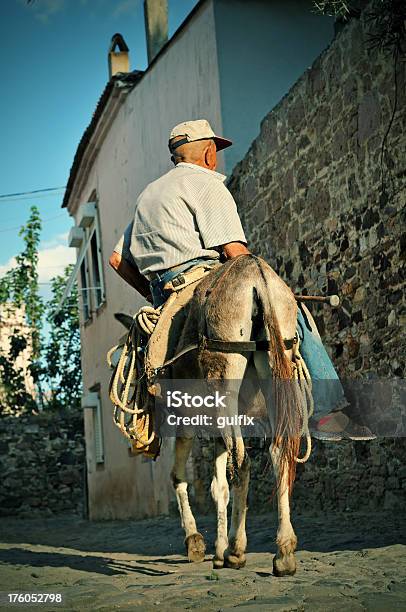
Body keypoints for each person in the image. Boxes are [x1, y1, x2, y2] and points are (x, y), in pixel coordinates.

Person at [110, 119, 375, 442]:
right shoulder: (207, 184)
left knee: (144, 359)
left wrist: (156, 298)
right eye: (215, 151)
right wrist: (277, 293)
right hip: (206, 280)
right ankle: (327, 411)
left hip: (166, 294)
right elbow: (236, 253)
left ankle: (147, 426)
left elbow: (117, 260)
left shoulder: (147, 197)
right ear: (208, 153)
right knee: (296, 315)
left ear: (175, 157)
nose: (216, 158)